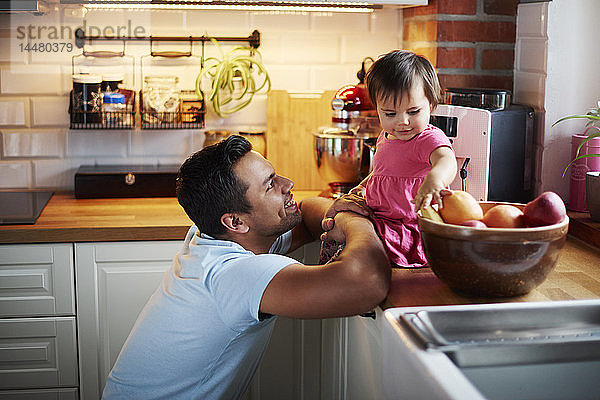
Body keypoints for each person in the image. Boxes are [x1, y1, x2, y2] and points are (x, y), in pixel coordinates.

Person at [101, 135, 390, 400]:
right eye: (270, 185)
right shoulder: (233, 274)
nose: (287, 184)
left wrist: (336, 213)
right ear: (236, 222)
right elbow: (368, 283)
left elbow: (304, 212)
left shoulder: (218, 236)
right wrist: (353, 216)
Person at [322, 50, 457, 268]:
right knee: (338, 224)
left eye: (413, 111)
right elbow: (381, 173)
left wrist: (435, 180)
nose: (402, 122)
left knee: (355, 248)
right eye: (390, 114)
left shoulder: (427, 138)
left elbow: (447, 160)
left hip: (407, 225)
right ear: (378, 109)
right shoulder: (386, 136)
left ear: (431, 104)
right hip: (381, 218)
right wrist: (361, 188)